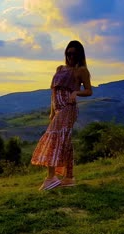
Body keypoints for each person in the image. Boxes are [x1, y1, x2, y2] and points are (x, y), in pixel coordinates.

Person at [31, 40, 93, 191]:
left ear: (79, 55)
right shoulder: (60, 68)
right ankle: (69, 177)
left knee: (54, 139)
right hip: (58, 109)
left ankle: (51, 177)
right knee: (65, 142)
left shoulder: (81, 71)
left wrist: (76, 92)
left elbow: (89, 91)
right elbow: (54, 92)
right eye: (68, 53)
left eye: (74, 53)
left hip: (69, 108)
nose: (70, 56)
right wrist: (52, 112)